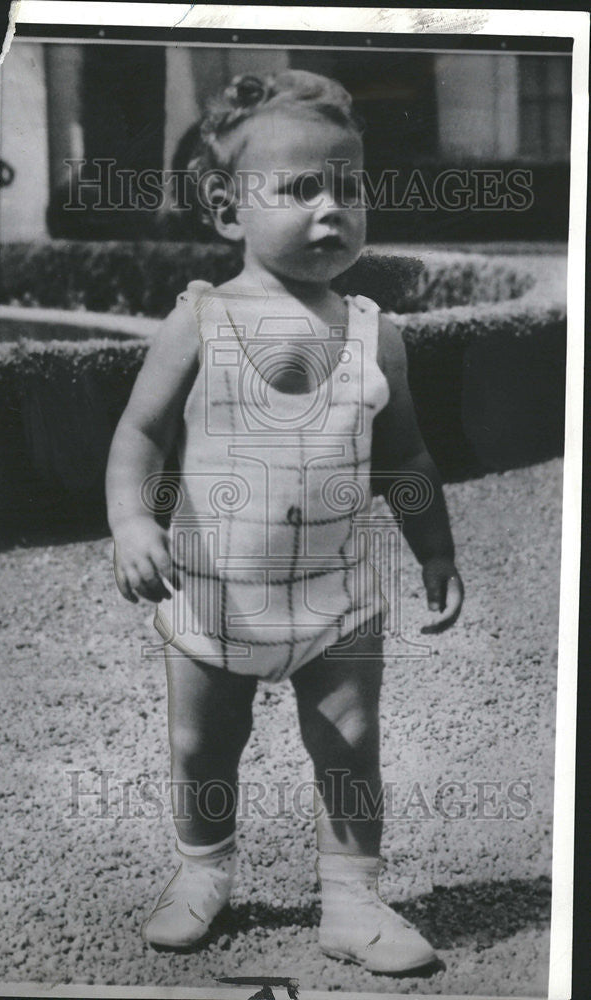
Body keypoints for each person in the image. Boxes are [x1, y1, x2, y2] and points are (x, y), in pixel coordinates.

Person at [106, 69, 464, 975]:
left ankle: (351, 900)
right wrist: (133, 525)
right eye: (303, 188)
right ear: (228, 210)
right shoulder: (202, 320)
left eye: (350, 186)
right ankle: (202, 873)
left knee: (349, 745)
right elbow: (140, 438)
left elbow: (407, 459)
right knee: (200, 745)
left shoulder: (374, 334)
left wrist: (434, 547)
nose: (332, 209)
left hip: (337, 601)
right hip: (215, 595)